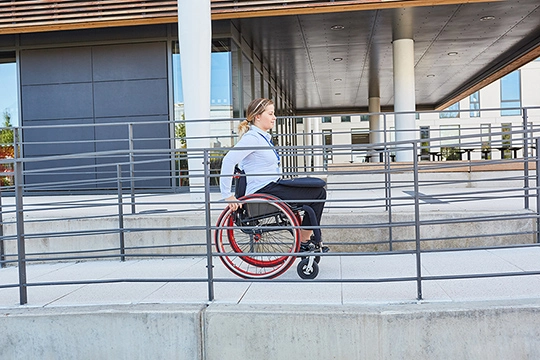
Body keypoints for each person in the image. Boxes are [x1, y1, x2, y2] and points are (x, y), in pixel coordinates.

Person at [220, 97, 327, 251]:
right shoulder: (252, 139)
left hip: (272, 185)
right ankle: (304, 240)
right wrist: (228, 195)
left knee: (317, 188)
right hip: (264, 190)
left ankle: (305, 237)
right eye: (270, 114)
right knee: (317, 193)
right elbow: (228, 160)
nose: (274, 117)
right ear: (258, 116)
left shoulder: (262, 138)